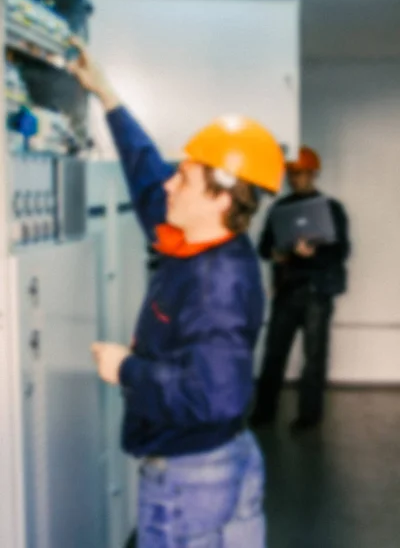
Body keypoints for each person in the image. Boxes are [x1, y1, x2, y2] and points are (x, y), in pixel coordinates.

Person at [68, 40, 285, 547]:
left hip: (192, 479)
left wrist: (125, 368)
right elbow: (147, 178)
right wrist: (108, 98)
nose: (169, 186)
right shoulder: (195, 239)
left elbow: (214, 394)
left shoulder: (217, 283)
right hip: (222, 461)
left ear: (219, 196)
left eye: (183, 178)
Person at [251, 146, 350, 433]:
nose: (296, 180)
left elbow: (341, 251)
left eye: (302, 174)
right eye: (292, 174)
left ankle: (309, 416)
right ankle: (264, 411)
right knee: (274, 353)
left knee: (314, 356)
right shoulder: (279, 209)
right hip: (286, 290)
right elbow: (263, 249)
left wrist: (312, 255)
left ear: (314, 174)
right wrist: (277, 254)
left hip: (317, 292)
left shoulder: (332, 209)